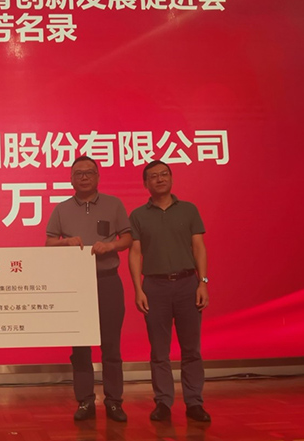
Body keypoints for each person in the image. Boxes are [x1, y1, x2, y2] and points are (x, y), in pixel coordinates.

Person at [45, 155, 133, 422]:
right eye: (78, 173)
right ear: (71, 180)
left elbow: (128, 238)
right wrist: (66, 242)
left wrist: (110, 246)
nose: (84, 177)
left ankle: (114, 401)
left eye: (89, 172)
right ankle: (85, 400)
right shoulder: (61, 209)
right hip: (76, 285)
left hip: (107, 280)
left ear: (98, 177)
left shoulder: (114, 204)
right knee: (80, 346)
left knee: (111, 345)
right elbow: (49, 244)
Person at [128, 160, 211, 423]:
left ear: (172, 178)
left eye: (164, 174)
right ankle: (163, 402)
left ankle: (194, 402)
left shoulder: (189, 210)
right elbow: (135, 253)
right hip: (155, 286)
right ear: (146, 183)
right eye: (153, 176)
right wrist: (138, 289)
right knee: (159, 351)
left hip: (188, 284)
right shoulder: (138, 215)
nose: (160, 179)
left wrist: (203, 282)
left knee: (192, 349)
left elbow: (199, 247)